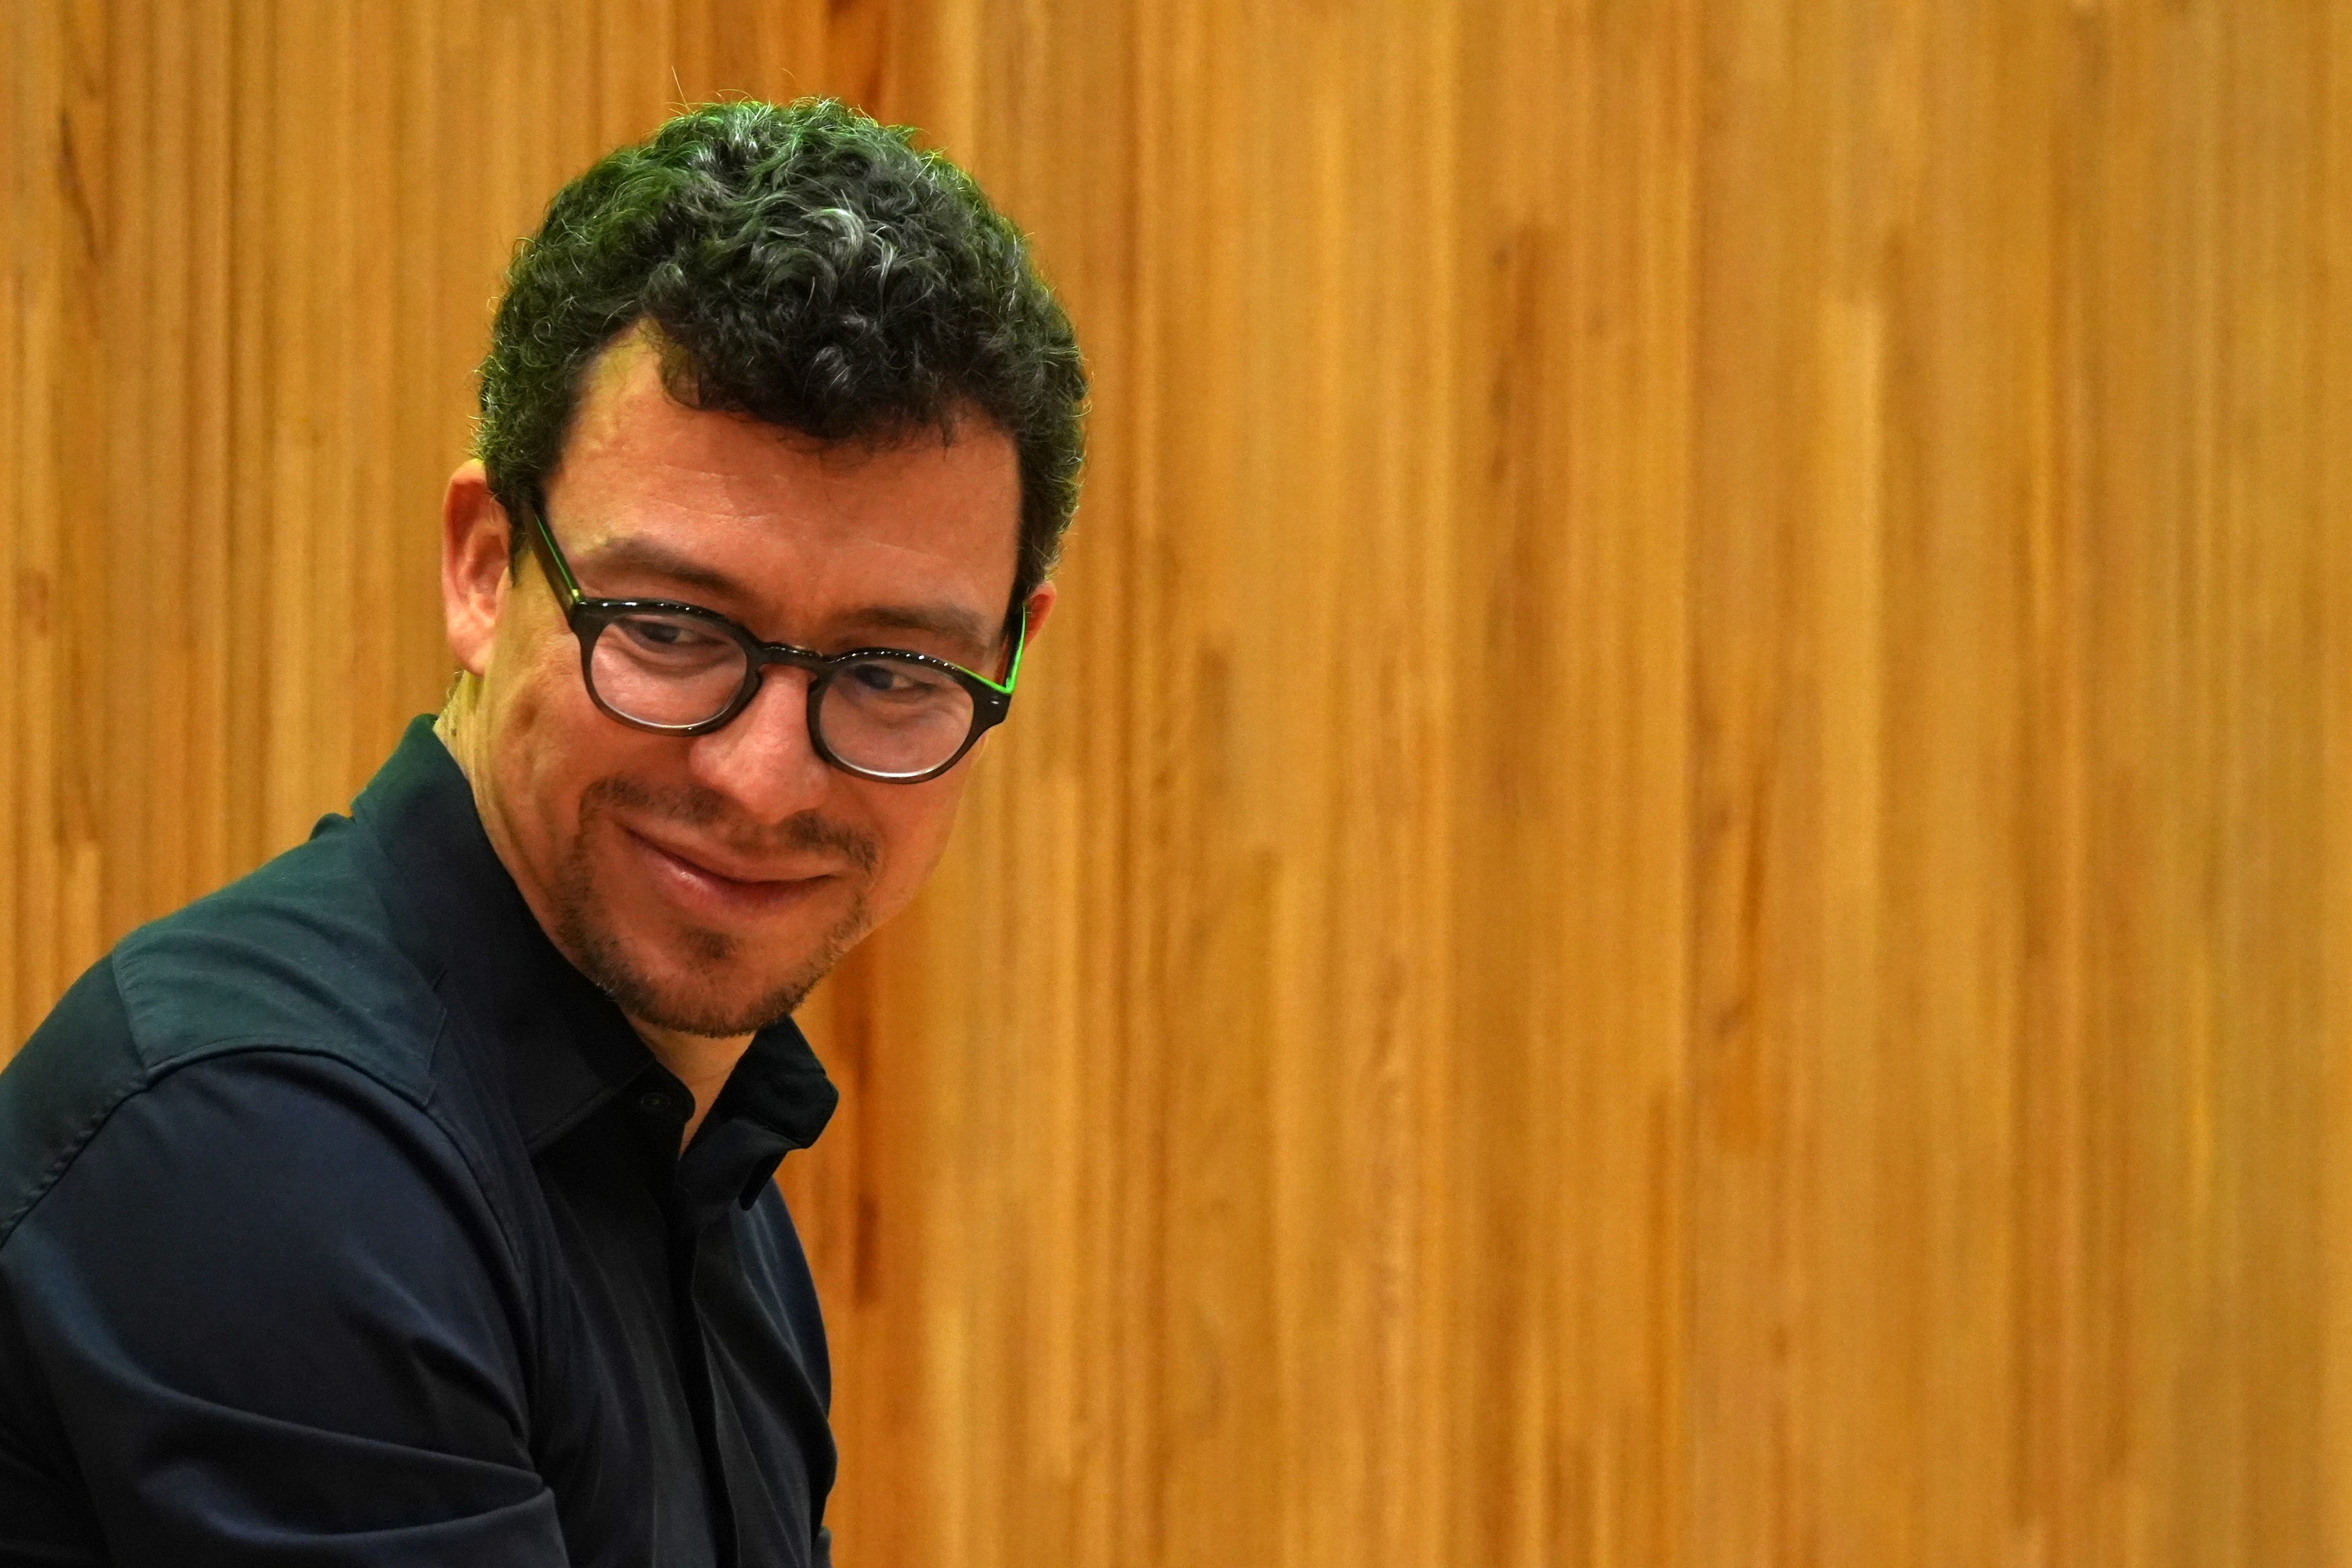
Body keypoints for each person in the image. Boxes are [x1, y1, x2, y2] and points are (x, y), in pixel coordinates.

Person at [0, 98, 1083, 1567]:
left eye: (892, 672)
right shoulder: (269, 1142)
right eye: (672, 627)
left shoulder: (688, 1146)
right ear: (483, 564)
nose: (766, 780)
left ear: (1009, 656)